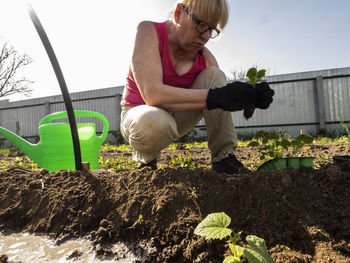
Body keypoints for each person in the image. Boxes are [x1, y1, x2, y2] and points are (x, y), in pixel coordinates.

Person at [120, 0, 274, 174]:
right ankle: (146, 161)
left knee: (215, 75)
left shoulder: (205, 58)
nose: (206, 36)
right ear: (179, 13)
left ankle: (224, 158)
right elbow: (152, 95)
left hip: (177, 118)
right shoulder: (149, 32)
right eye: (201, 25)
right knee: (154, 121)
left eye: (212, 30)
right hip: (140, 118)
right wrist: (218, 96)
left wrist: (249, 98)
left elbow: (221, 101)